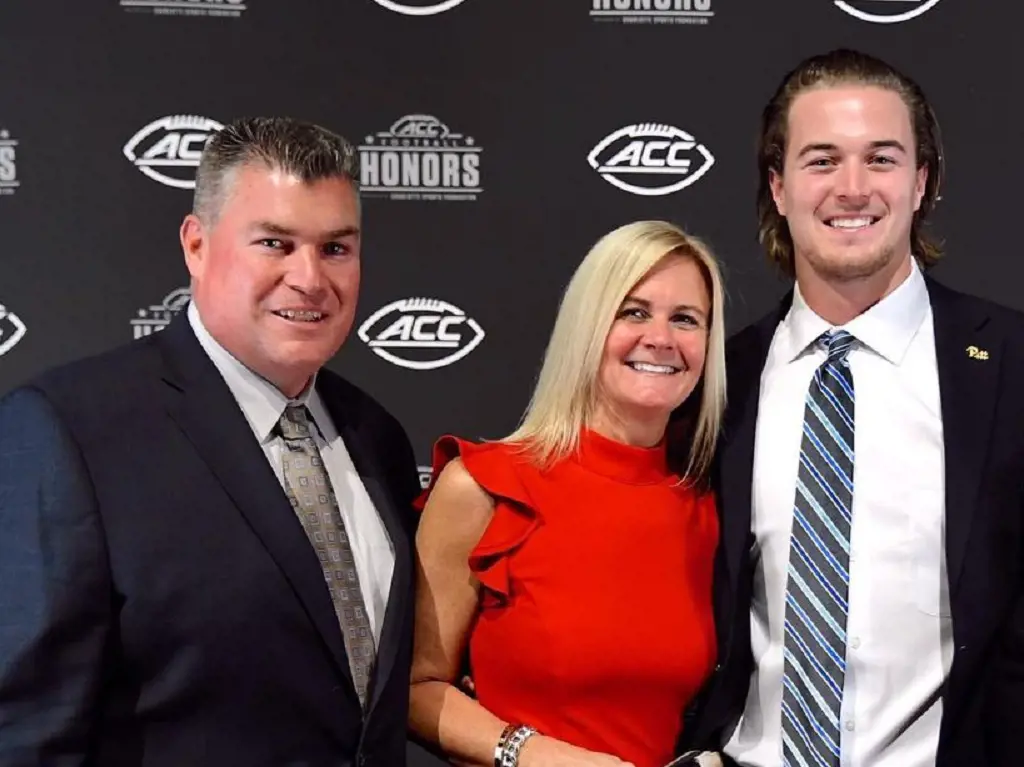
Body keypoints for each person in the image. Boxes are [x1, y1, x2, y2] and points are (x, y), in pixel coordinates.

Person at [0, 117, 421, 766]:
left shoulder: (378, 437)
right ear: (196, 245)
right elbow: (29, 727)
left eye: (336, 248)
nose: (310, 278)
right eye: (275, 243)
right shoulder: (72, 429)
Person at [682, 49, 1024, 766]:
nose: (852, 187)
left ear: (922, 181)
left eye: (882, 158)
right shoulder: (716, 378)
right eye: (821, 160)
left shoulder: (1012, 366)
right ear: (778, 186)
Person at [408, 220, 728, 767]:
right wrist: (532, 754)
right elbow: (414, 689)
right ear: (588, 325)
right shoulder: (485, 487)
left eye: (685, 319)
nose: (660, 338)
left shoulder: (707, 508)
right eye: (633, 311)